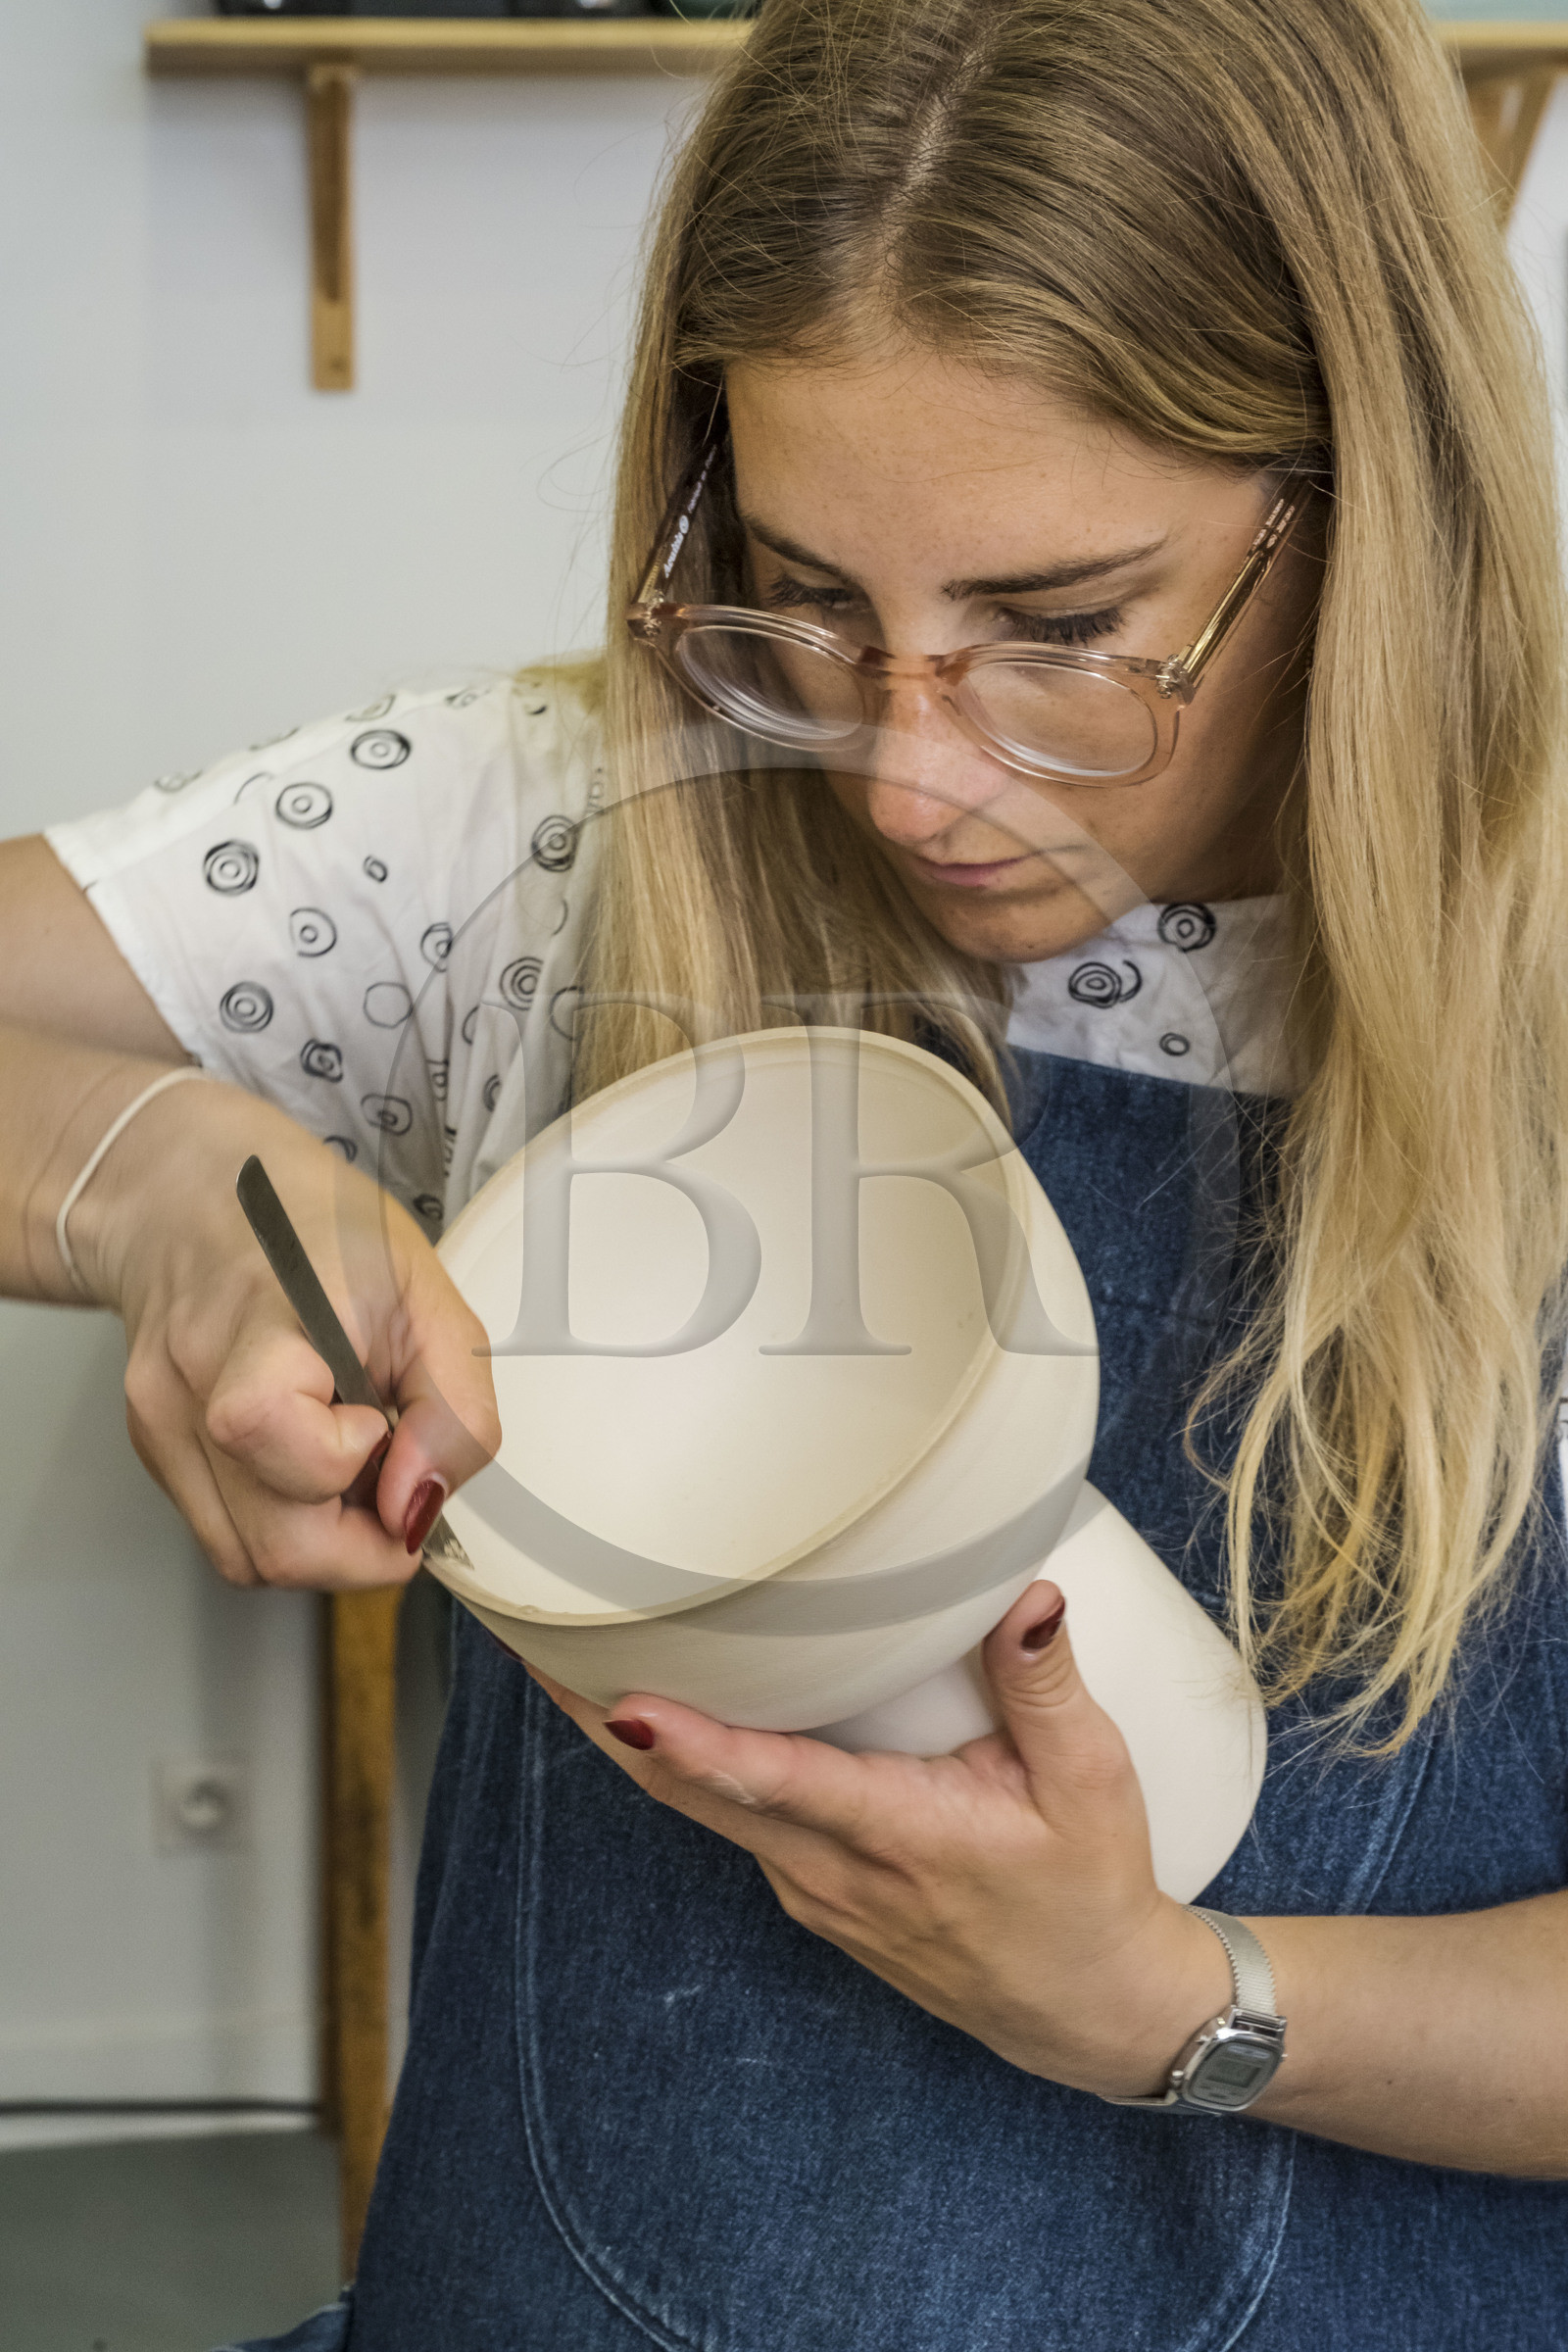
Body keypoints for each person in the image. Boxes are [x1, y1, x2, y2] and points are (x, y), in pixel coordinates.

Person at [4, 0, 1567, 2342]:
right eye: (805, 597)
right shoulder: (541, 839)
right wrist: (146, 1175)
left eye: (1058, 634)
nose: (908, 781)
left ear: (1366, 495)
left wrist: (1180, 2000)